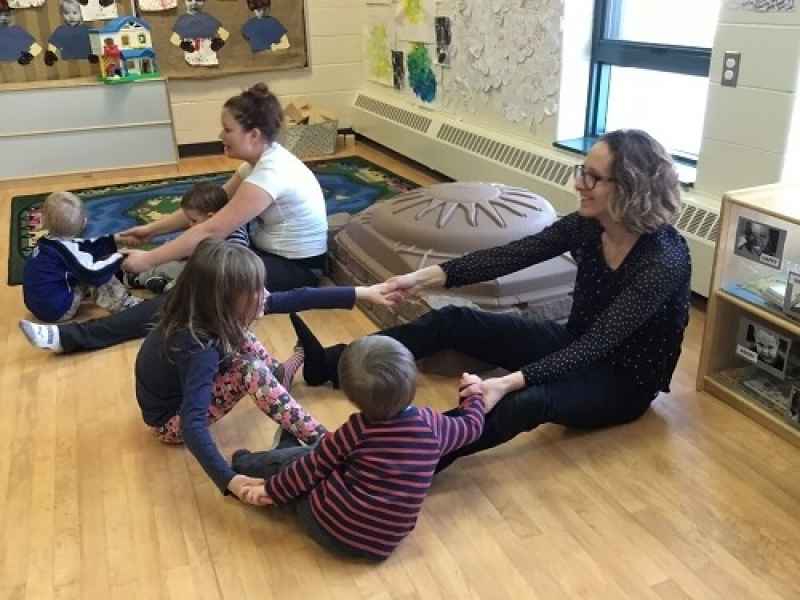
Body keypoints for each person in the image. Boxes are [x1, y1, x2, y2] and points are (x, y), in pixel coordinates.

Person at [290, 128, 692, 473]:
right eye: (581, 172)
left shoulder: (662, 261)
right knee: (456, 321)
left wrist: (504, 382)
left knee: (525, 402)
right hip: (574, 344)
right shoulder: (592, 224)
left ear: (629, 189)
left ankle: (400, 460)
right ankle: (327, 363)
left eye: (592, 177)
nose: (578, 184)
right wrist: (422, 278)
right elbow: (513, 254)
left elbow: (598, 344)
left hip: (622, 383)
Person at [135, 239, 396, 503]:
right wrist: (229, 480)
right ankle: (327, 444)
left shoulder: (207, 310)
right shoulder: (198, 346)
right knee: (249, 369)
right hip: (170, 423)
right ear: (223, 299)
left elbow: (297, 297)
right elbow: (192, 423)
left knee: (243, 337)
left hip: (194, 382)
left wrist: (363, 292)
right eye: (254, 290)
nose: (264, 294)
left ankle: (279, 378)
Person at [231, 335, 487, 559]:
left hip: (331, 528)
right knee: (316, 458)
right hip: (383, 545)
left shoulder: (358, 430)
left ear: (352, 398)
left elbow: (311, 467)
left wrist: (273, 490)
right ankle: (282, 450)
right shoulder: (435, 426)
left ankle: (243, 464)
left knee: (301, 460)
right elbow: (473, 427)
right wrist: (473, 394)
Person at [121, 83, 328, 293]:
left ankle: (162, 284)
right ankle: (156, 275)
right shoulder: (257, 164)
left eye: (228, 130)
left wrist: (148, 259)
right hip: (267, 253)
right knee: (195, 249)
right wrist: (150, 230)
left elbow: (213, 229)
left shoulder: (270, 173)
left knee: (205, 272)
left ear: (254, 135)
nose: (221, 135)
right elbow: (209, 205)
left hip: (297, 270)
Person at [22, 191, 142, 323]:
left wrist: (116, 240)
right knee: (96, 270)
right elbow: (94, 273)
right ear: (84, 222)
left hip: (39, 306)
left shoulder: (47, 242)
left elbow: (85, 246)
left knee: (83, 264)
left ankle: (123, 279)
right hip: (58, 311)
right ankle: (126, 305)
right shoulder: (66, 251)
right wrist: (120, 257)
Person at [127, 181, 250, 293]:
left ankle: (139, 279)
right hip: (198, 267)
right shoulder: (204, 230)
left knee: (177, 268)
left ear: (211, 216)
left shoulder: (235, 235)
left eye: (193, 220)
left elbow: (235, 264)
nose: (190, 225)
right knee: (170, 260)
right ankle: (162, 282)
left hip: (214, 276)